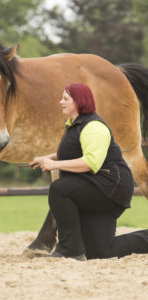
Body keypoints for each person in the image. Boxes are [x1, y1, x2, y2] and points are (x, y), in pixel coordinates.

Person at [29, 82, 148, 261]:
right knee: (100, 252)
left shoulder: (94, 127)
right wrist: (49, 158)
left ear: (79, 101)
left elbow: (91, 162)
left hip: (110, 187)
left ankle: (69, 250)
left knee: (60, 189)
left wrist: (54, 165)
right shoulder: (75, 125)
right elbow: (78, 150)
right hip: (100, 187)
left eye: (65, 99)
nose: (61, 102)